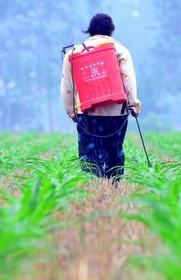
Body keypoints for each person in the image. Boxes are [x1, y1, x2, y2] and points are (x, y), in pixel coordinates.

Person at [60, 13, 141, 180]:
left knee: (89, 151)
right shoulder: (120, 50)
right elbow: (128, 78)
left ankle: (93, 185)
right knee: (114, 149)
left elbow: (67, 86)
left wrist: (70, 110)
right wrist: (133, 104)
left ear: (90, 31)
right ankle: (113, 185)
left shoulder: (73, 53)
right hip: (116, 111)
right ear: (111, 30)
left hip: (87, 111)